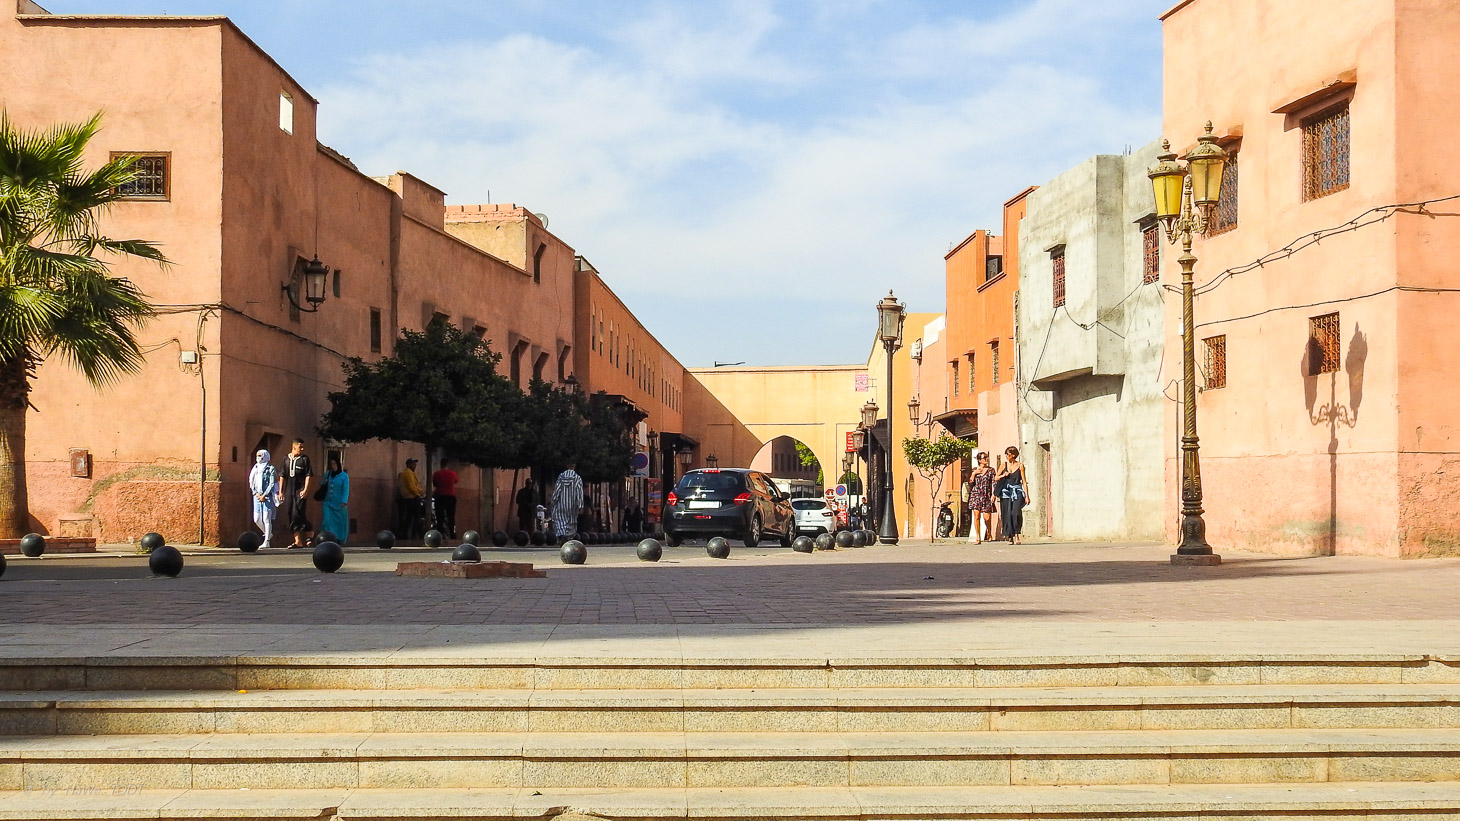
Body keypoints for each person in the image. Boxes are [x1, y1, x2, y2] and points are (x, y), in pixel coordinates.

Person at [281, 438, 313, 548]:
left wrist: (306, 489)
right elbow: (282, 476)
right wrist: (281, 491)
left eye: (302, 447)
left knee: (298, 513)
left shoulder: (304, 459)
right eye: (300, 447)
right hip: (289, 490)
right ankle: (297, 541)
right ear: (294, 446)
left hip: (300, 490)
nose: (302, 449)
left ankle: (309, 531)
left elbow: (308, 475)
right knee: (290, 513)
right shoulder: (286, 459)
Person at [994, 446, 1029, 545]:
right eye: (1006, 454)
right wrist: (1003, 475)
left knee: (1016, 513)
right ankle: (1010, 536)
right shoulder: (1004, 465)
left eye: (1008, 454)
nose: (1006, 456)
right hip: (1006, 492)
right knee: (1007, 513)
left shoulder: (1020, 466)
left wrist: (1027, 496)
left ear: (1013, 455)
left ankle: (1017, 534)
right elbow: (996, 478)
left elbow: (1024, 481)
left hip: (1017, 491)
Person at [248, 449, 278, 548]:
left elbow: (272, 483)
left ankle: (267, 541)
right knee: (256, 519)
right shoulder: (255, 468)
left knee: (266, 518)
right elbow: (251, 481)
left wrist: (264, 495)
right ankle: (267, 533)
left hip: (267, 497)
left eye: (260, 456)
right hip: (256, 496)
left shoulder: (270, 468)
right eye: (257, 456)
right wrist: (256, 493)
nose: (258, 458)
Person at [967, 451, 997, 544]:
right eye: (984, 458)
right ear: (979, 460)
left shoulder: (991, 470)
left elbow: (994, 483)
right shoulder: (975, 470)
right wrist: (974, 474)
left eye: (987, 457)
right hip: (976, 495)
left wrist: (994, 494)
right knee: (976, 516)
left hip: (986, 495)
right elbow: (970, 483)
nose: (986, 459)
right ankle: (978, 537)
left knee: (987, 518)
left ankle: (989, 532)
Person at [320, 455, 350, 544]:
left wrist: (344, 501)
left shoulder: (344, 476)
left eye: (334, 464)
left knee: (339, 522)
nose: (333, 466)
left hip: (339, 503)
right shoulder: (328, 474)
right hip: (328, 502)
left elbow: (346, 489)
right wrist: (324, 481)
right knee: (326, 520)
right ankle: (327, 537)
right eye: (331, 464)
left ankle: (338, 538)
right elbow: (321, 483)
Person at [550, 463, 584, 539]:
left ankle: (562, 534)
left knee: (560, 520)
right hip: (572, 506)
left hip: (561, 504)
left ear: (566, 465)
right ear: (574, 466)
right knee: (571, 521)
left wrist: (553, 501)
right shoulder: (577, 478)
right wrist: (580, 506)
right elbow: (579, 492)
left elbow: (557, 490)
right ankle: (568, 537)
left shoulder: (561, 477)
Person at [397, 458, 425, 538]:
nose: (415, 465)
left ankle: (406, 534)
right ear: (409, 464)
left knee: (409, 517)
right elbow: (412, 486)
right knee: (415, 517)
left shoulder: (408, 473)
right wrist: (419, 493)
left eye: (415, 464)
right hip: (412, 498)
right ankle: (413, 534)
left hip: (409, 498)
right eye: (413, 464)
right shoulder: (408, 473)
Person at [432, 458, 459, 539]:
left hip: (439, 497)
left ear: (441, 465)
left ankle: (439, 534)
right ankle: (453, 534)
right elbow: (456, 481)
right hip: (450, 497)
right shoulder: (453, 474)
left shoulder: (436, 474)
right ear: (447, 465)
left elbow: (435, 484)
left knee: (439, 518)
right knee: (451, 518)